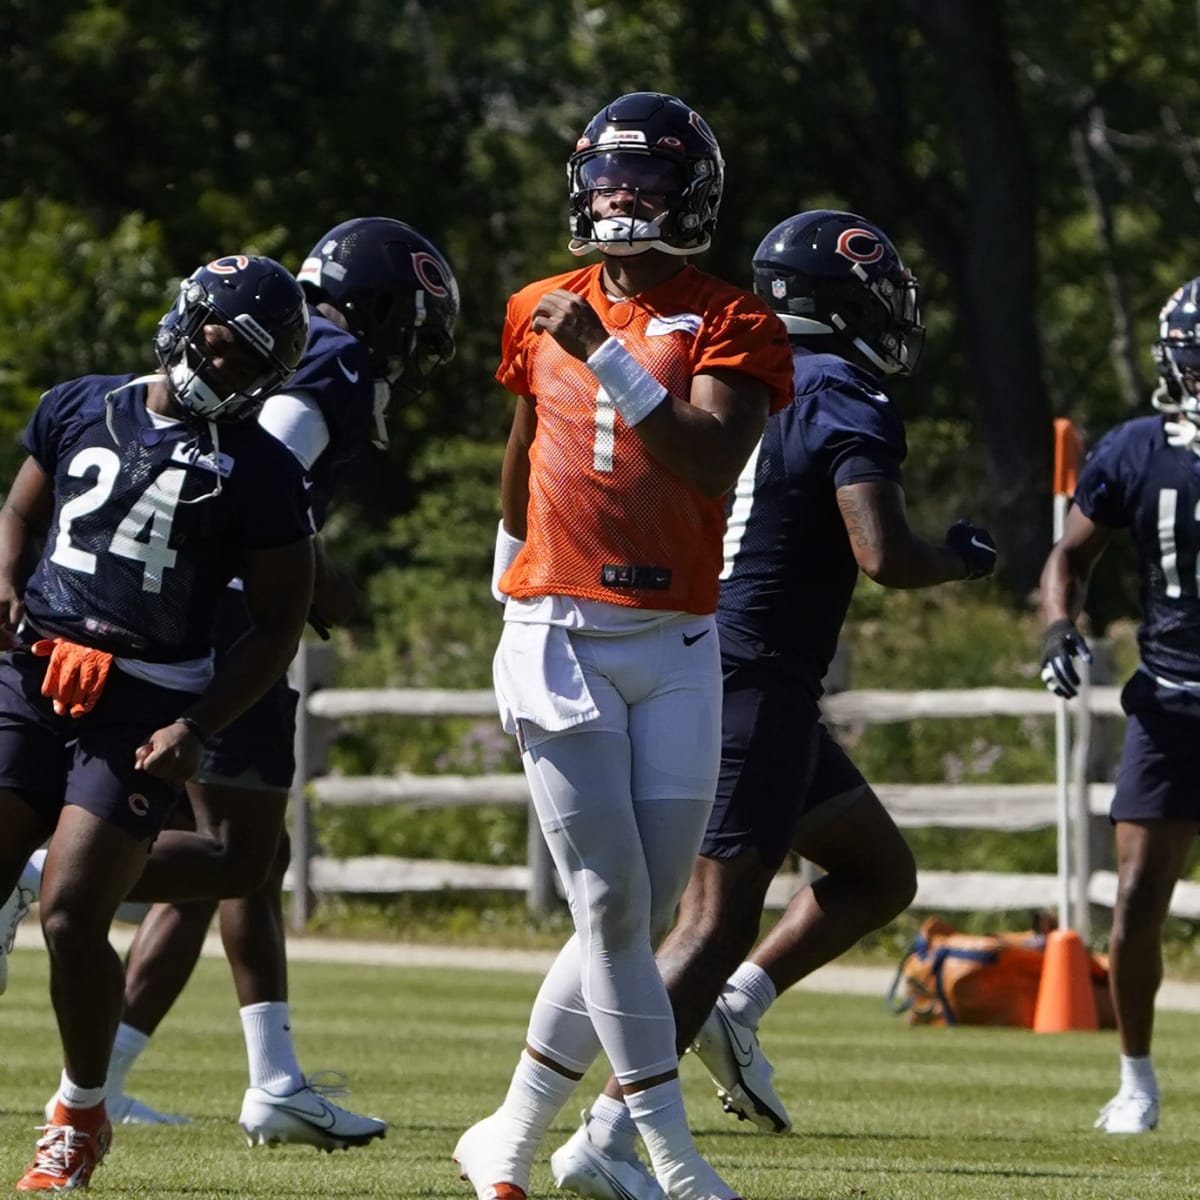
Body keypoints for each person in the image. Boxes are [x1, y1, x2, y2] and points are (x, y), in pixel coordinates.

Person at [546, 210, 998, 1200]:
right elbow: (879, 552)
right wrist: (960, 558)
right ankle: (609, 1134)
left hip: (709, 652)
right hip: (754, 676)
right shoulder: (844, 392)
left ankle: (736, 1009)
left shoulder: (732, 366)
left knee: (877, 869)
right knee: (711, 921)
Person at [0, 218, 460, 1149]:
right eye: (410, 323)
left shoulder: (303, 350)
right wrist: (319, 582)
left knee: (241, 863)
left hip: (209, 619)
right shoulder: (327, 363)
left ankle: (220, 1074)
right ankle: (51, 884)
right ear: (383, 306)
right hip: (209, 626)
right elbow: (253, 472)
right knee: (236, 858)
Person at [450, 92, 793, 1200]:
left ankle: (506, 1133)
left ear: (688, 195)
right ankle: (667, 1155)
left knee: (639, 912)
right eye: (606, 178)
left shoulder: (736, 320)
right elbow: (523, 446)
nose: (618, 198)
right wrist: (505, 566)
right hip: (559, 628)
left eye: (642, 181)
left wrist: (606, 353)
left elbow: (703, 460)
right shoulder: (537, 304)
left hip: (679, 639)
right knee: (604, 906)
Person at [0, 254, 316, 1191]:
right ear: (185, 326)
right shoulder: (80, 404)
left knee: (72, 912)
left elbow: (278, 624)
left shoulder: (260, 468)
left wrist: (199, 724)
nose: (223, 374)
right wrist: (6, 584)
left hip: (144, 697)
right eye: (218, 350)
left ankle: (81, 1111)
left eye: (243, 366)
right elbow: (20, 511)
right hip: (37, 669)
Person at [1038, 276, 1200, 1136]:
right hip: (1172, 701)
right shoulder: (1138, 449)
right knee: (1138, 893)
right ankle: (1136, 1079)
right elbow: (1069, 554)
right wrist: (1059, 626)